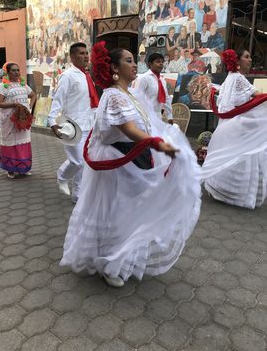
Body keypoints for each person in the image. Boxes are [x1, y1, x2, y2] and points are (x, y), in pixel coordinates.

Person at [60, 41, 201, 287]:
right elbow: (128, 128)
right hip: (118, 160)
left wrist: (163, 137)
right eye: (128, 61)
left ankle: (122, 256)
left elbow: (147, 122)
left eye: (134, 60)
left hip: (134, 156)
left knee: (130, 210)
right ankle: (110, 264)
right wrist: (159, 144)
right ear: (114, 67)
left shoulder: (128, 93)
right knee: (119, 210)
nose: (134, 64)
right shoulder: (114, 95)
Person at [201, 49, 267, 209]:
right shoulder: (239, 78)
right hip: (237, 127)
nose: (250, 60)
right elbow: (257, 96)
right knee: (243, 155)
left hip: (225, 126)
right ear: (237, 62)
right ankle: (236, 195)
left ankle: (222, 190)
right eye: (247, 57)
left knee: (229, 156)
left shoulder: (229, 79)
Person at [48, 42, 99, 203]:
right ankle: (62, 175)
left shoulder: (87, 76)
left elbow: (92, 102)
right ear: (72, 57)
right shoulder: (68, 76)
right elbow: (58, 99)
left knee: (84, 164)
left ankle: (78, 194)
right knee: (77, 161)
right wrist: (52, 121)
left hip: (89, 125)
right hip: (72, 126)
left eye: (86, 53)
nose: (85, 56)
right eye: (81, 53)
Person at [0, 63, 36, 179]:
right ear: (7, 73)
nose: (17, 72)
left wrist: (29, 107)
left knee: (24, 141)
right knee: (11, 142)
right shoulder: (3, 86)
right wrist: (13, 104)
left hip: (22, 120)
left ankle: (24, 168)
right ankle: (11, 169)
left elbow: (33, 95)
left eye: (18, 70)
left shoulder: (23, 85)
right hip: (9, 121)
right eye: (13, 70)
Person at [136, 52, 173, 123]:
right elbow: (137, 98)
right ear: (150, 64)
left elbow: (166, 98)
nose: (161, 64)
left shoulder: (162, 80)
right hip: (145, 116)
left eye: (162, 62)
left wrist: (169, 116)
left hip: (158, 116)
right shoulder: (144, 78)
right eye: (158, 62)